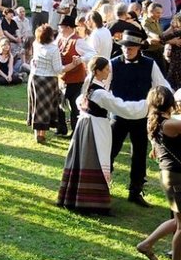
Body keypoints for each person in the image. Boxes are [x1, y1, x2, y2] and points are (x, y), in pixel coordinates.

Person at [56, 57, 147, 214]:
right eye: (105, 69)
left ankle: (75, 196)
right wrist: (148, 103)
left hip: (85, 125)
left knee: (84, 160)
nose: (108, 71)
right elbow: (123, 108)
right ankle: (91, 202)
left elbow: (79, 101)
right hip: (95, 128)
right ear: (97, 71)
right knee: (94, 160)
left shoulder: (88, 86)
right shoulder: (100, 94)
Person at [109, 30, 171, 207]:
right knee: (110, 151)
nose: (127, 50)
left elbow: (162, 85)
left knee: (139, 154)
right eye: (124, 47)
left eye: (131, 47)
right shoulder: (113, 64)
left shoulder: (149, 64)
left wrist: (172, 100)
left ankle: (135, 191)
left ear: (138, 47)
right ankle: (103, 185)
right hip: (118, 115)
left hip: (141, 116)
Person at [135, 86, 181, 260]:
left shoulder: (154, 122)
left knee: (178, 221)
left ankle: (146, 244)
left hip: (170, 175)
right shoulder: (169, 124)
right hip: (176, 176)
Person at [28, 26, 82, 144]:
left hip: (34, 78)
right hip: (47, 81)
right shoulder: (53, 49)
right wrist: (73, 64)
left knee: (37, 106)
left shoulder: (36, 44)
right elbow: (58, 69)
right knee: (45, 107)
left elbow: (34, 59)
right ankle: (41, 134)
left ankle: (37, 133)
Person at [56, 14, 95, 136]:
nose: (59, 29)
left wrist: (81, 59)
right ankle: (61, 128)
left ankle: (75, 131)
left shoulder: (78, 41)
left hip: (75, 79)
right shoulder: (60, 38)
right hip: (62, 78)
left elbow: (92, 53)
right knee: (58, 104)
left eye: (61, 27)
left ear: (68, 27)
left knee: (74, 106)